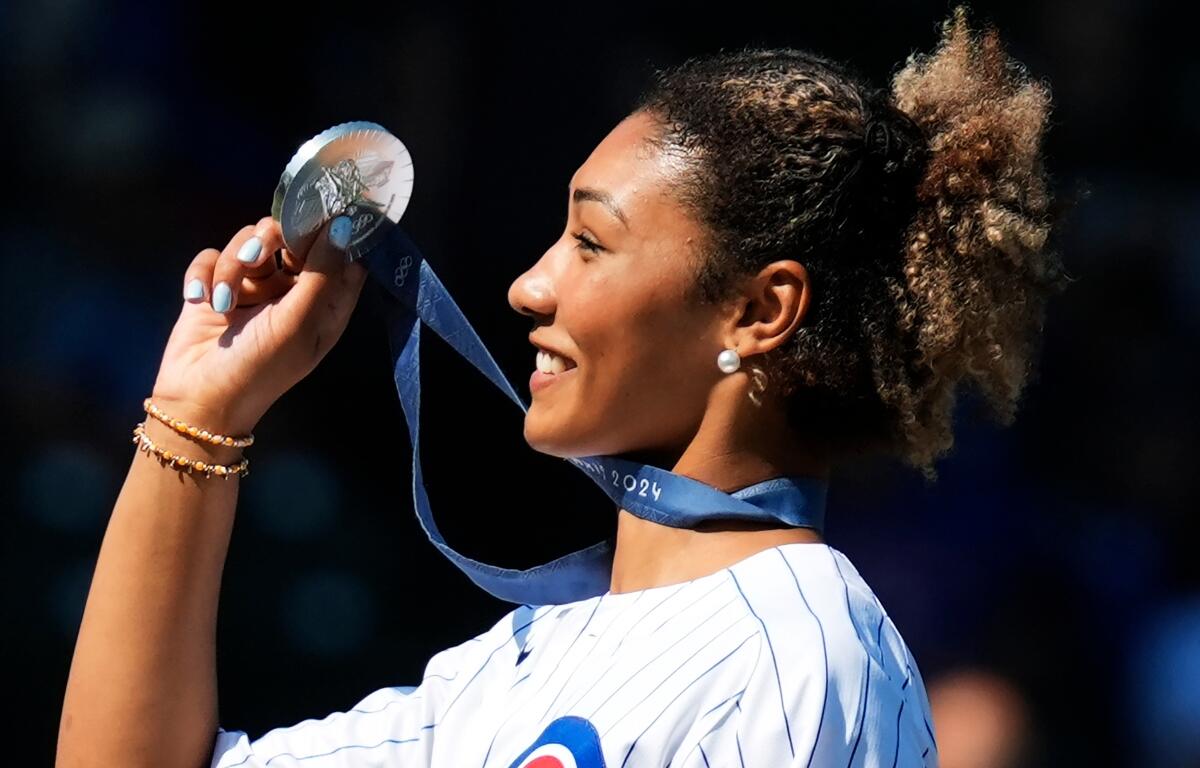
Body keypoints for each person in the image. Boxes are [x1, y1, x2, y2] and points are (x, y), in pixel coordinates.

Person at [56, 6, 1069, 767]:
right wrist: (198, 414)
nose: (528, 285)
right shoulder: (502, 670)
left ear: (760, 313)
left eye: (591, 242)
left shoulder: (796, 657)